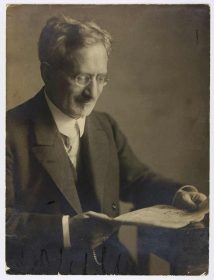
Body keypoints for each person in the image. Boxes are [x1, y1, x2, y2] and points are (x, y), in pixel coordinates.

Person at [6, 16, 207, 275]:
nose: (93, 93)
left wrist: (176, 194)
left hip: (113, 266)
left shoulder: (104, 126)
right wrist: (68, 230)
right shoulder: (9, 131)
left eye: (101, 78)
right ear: (46, 72)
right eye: (80, 77)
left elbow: (137, 181)